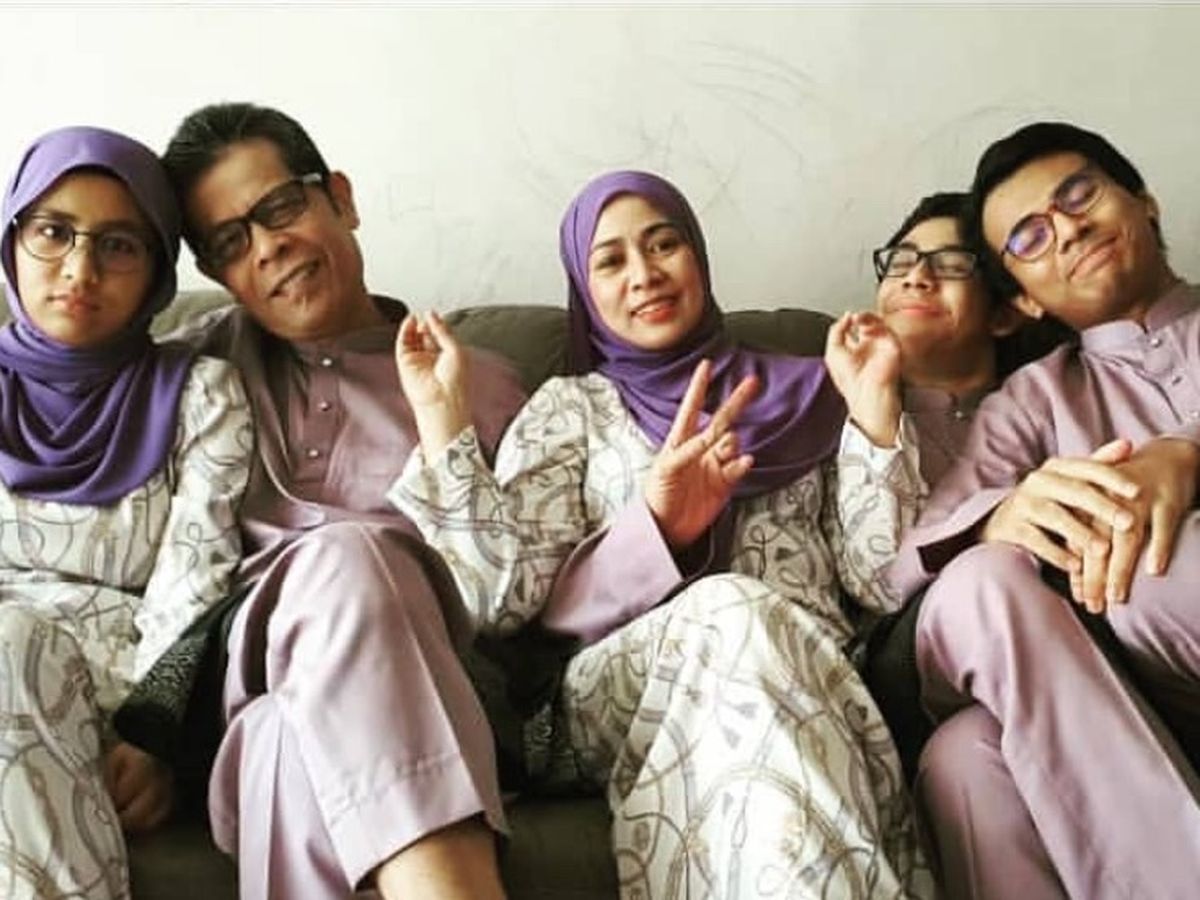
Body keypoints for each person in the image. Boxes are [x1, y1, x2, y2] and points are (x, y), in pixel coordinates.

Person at [390, 169, 934, 899]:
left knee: (752, 634)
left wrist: (874, 411)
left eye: (663, 244)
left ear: (698, 257)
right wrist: (656, 529)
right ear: (586, 291)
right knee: (733, 606)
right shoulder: (573, 408)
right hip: (616, 693)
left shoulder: (817, 385)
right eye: (610, 261)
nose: (644, 274)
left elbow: (880, 581)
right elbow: (501, 600)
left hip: (813, 675)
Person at [157, 102, 527, 900]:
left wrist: (447, 429)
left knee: (285, 735)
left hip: (433, 690)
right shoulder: (187, 375)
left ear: (341, 199)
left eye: (279, 207)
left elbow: (508, 600)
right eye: (230, 243)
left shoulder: (485, 383)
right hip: (241, 672)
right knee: (341, 564)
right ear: (218, 276)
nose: (267, 247)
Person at [892, 121, 1200, 899]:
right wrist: (1001, 517)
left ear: (1145, 202)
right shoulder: (1034, 399)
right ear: (1025, 298)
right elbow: (910, 563)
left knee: (1146, 571)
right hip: (1114, 691)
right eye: (1030, 236)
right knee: (965, 752)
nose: (1067, 229)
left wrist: (1187, 454)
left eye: (1078, 195)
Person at [0, 126, 251, 899]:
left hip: (117, 697)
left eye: (118, 245)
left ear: (156, 270)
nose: (79, 269)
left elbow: (197, 579)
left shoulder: (201, 394)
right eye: (53, 232)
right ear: (12, 241)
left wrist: (155, 736)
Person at [824, 191, 1030, 777]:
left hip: (1026, 664)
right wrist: (875, 411)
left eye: (952, 264)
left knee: (973, 753)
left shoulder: (1044, 408)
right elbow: (879, 585)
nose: (916, 276)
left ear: (1004, 313)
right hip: (903, 676)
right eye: (902, 260)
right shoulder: (823, 410)